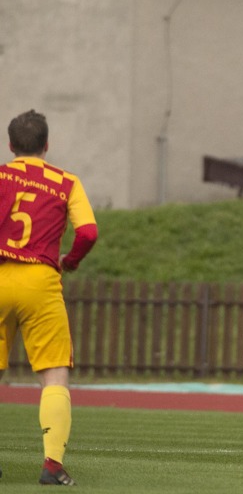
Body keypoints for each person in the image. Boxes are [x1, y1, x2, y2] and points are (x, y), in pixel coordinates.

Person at [0, 110, 98, 485]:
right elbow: (88, 232)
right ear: (46, 144)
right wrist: (71, 261)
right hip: (40, 281)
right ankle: (52, 466)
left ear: (11, 145)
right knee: (54, 374)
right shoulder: (66, 182)